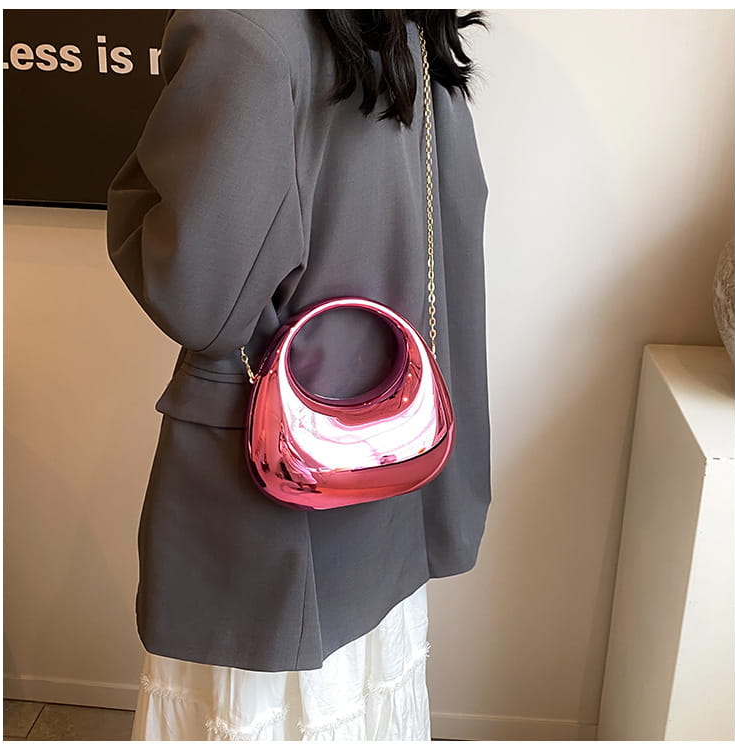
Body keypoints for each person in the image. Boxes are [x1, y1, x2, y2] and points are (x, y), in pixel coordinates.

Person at [106, 9, 491, 741]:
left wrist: (133, 200)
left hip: (276, 501)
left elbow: (201, 296)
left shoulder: (247, 31)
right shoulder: (408, 26)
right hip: (387, 475)